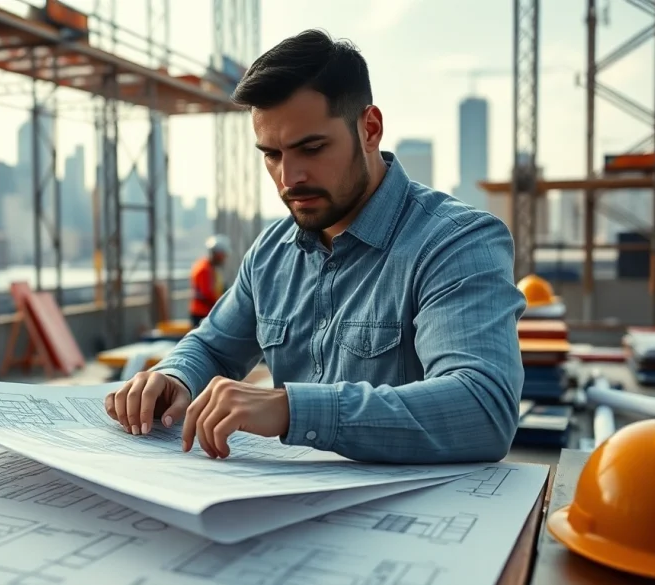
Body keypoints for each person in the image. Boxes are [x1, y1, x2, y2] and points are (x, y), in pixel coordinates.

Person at [104, 29, 526, 465]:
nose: (289, 178)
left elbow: (482, 409)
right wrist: (176, 377)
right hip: (283, 510)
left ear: (370, 128)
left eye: (311, 148)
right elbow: (213, 347)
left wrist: (293, 410)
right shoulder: (271, 252)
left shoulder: (455, 243)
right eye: (271, 154)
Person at [189, 235, 230, 327]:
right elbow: (208, 294)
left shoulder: (212, 269)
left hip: (208, 312)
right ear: (217, 254)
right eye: (223, 255)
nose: (224, 258)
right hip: (202, 314)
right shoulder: (203, 269)